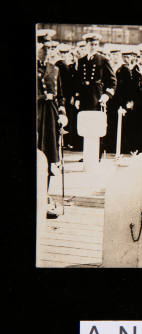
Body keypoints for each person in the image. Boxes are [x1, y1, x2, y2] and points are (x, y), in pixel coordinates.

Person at [37, 30, 67, 219]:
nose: (47, 51)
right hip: (37, 115)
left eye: (50, 48)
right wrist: (42, 97)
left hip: (49, 118)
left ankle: (43, 197)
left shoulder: (54, 69)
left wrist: (63, 114)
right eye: (44, 47)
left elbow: (61, 95)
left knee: (47, 157)